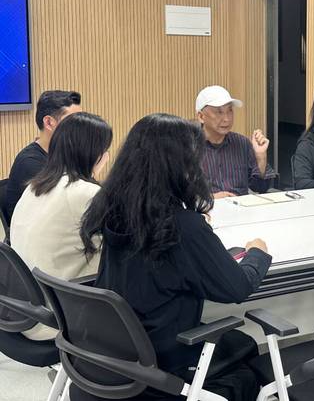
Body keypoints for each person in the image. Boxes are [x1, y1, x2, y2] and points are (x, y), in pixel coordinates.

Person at [79, 113, 271, 401]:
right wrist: (257, 253)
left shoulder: (114, 209)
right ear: (179, 165)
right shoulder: (183, 227)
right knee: (245, 353)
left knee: (238, 346)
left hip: (119, 350)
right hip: (167, 358)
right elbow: (237, 288)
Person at [10, 112, 112, 341]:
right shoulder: (86, 193)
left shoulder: (35, 186)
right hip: (59, 319)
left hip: (24, 313)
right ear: (96, 154)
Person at [5, 90, 82, 221]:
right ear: (49, 122)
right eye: (74, 121)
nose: (82, 127)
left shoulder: (66, 154)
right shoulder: (29, 162)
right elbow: (64, 204)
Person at [196, 85, 275, 198]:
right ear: (201, 116)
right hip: (205, 208)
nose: (227, 119)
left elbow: (260, 187)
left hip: (240, 206)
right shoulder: (188, 147)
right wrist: (210, 198)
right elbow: (179, 192)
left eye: (230, 111)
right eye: (219, 112)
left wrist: (260, 156)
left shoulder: (242, 143)